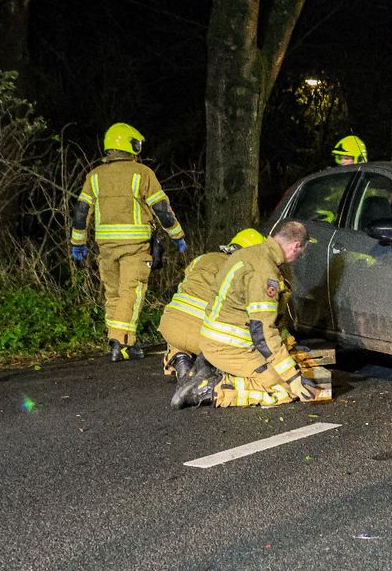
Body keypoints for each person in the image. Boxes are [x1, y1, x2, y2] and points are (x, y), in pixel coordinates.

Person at [70, 122, 187, 361]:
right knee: (130, 294)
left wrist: (77, 243)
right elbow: (162, 209)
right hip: (135, 248)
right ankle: (122, 342)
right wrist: (177, 235)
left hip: (106, 248)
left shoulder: (94, 176)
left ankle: (117, 340)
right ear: (129, 144)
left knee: (113, 294)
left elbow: (82, 212)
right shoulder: (142, 174)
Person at [172, 220, 315, 409]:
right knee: (283, 388)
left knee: (274, 371)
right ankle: (211, 390)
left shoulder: (246, 254)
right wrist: (293, 377)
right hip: (230, 346)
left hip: (211, 339)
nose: (298, 258)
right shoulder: (265, 272)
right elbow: (262, 333)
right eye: (300, 253)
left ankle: (204, 369)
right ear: (296, 246)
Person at [158, 228, 264, 382]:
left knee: (182, 324)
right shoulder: (245, 271)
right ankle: (207, 364)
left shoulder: (202, 258)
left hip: (170, 326)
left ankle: (179, 356)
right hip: (205, 337)